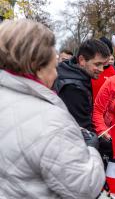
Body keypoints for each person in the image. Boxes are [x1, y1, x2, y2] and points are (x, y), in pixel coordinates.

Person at [0, 19, 105, 198]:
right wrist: (92, 150)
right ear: (38, 67)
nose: (57, 74)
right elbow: (85, 188)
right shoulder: (52, 121)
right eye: (54, 66)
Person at [53, 39, 110, 133]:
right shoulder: (74, 88)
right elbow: (83, 132)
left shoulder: (69, 70)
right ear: (82, 60)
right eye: (97, 64)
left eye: (103, 65)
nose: (101, 69)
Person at [91, 37, 115, 102]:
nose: (106, 57)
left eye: (108, 54)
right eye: (103, 53)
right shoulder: (90, 69)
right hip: (89, 109)